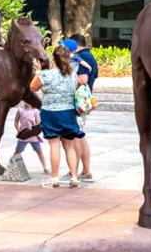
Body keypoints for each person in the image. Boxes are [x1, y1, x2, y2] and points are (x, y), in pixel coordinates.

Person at [30, 44, 88, 188]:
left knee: (54, 145)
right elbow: (78, 87)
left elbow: (32, 88)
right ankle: (74, 177)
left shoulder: (46, 74)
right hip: (68, 112)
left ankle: (55, 178)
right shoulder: (72, 75)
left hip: (50, 113)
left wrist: (38, 71)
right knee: (69, 146)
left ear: (53, 59)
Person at [69, 33, 98, 181]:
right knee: (79, 135)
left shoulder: (83, 57)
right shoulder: (89, 56)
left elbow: (83, 79)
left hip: (77, 102)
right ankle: (83, 170)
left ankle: (79, 171)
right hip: (82, 102)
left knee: (75, 137)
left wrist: (64, 83)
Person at [13, 101, 49, 174]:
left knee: (39, 151)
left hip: (33, 136)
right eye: (25, 100)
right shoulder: (20, 110)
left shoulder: (35, 111)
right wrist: (18, 130)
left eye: (28, 100)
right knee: (18, 151)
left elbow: (38, 124)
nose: (26, 102)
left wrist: (35, 132)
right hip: (23, 135)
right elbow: (16, 121)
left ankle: (45, 167)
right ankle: (13, 166)